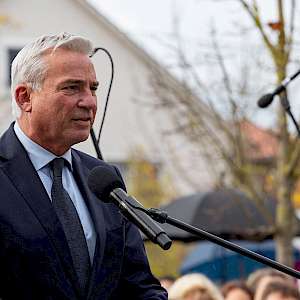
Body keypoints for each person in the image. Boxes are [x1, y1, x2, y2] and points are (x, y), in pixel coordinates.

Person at [0, 32, 167, 300]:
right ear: (24, 98)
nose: (89, 101)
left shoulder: (104, 180)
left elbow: (138, 286)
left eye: (93, 88)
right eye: (72, 87)